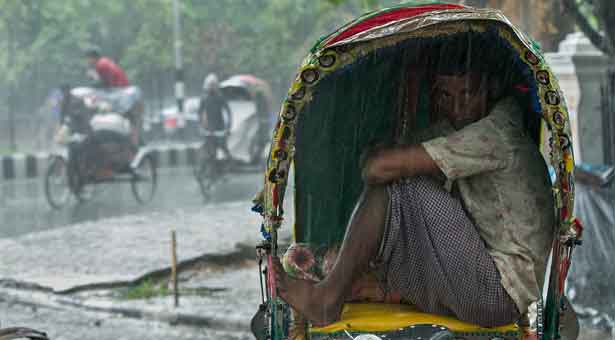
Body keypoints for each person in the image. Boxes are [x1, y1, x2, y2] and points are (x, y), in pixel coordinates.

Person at [271, 53, 555, 328]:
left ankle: (326, 300)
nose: (457, 107)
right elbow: (384, 155)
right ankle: (348, 284)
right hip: (479, 282)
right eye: (446, 96)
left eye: (468, 93)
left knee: (399, 181)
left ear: (490, 90)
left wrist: (389, 160)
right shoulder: (459, 128)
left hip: (498, 295)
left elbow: (378, 168)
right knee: (400, 178)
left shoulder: (495, 132)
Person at [198, 73, 233, 160]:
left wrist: (228, 127)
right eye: (210, 85)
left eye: (213, 85)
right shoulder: (204, 98)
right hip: (208, 129)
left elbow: (228, 112)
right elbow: (199, 113)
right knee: (208, 150)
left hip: (220, 128)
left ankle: (230, 163)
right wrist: (200, 126)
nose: (211, 87)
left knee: (224, 148)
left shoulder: (220, 97)